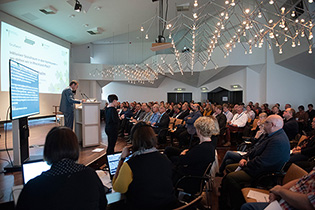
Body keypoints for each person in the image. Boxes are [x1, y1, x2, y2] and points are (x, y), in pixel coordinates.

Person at [16, 127, 107, 210]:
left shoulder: (33, 186)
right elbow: (102, 204)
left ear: (48, 150)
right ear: (75, 148)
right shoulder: (90, 175)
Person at [219, 115, 290, 210]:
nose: (263, 124)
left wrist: (247, 164)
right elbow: (254, 149)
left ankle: (235, 204)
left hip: (262, 172)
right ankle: (226, 197)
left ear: (272, 125)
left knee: (231, 178)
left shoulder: (278, 140)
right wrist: (245, 158)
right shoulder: (270, 135)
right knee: (229, 166)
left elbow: (263, 162)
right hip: (255, 165)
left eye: (266, 123)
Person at [112, 122, 177, 210]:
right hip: (168, 205)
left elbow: (118, 188)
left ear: (134, 141)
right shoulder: (165, 159)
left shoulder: (130, 165)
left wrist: (122, 159)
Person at [164, 117, 219, 188]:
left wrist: (182, 155)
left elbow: (183, 160)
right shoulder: (208, 145)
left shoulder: (202, 148)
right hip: (192, 174)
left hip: (188, 179)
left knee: (165, 164)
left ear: (199, 130)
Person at [240, 167, 315, 210]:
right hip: (284, 200)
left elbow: (309, 203)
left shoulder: (276, 140)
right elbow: (301, 180)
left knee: (247, 207)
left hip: (289, 205)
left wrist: (280, 191)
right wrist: (277, 191)